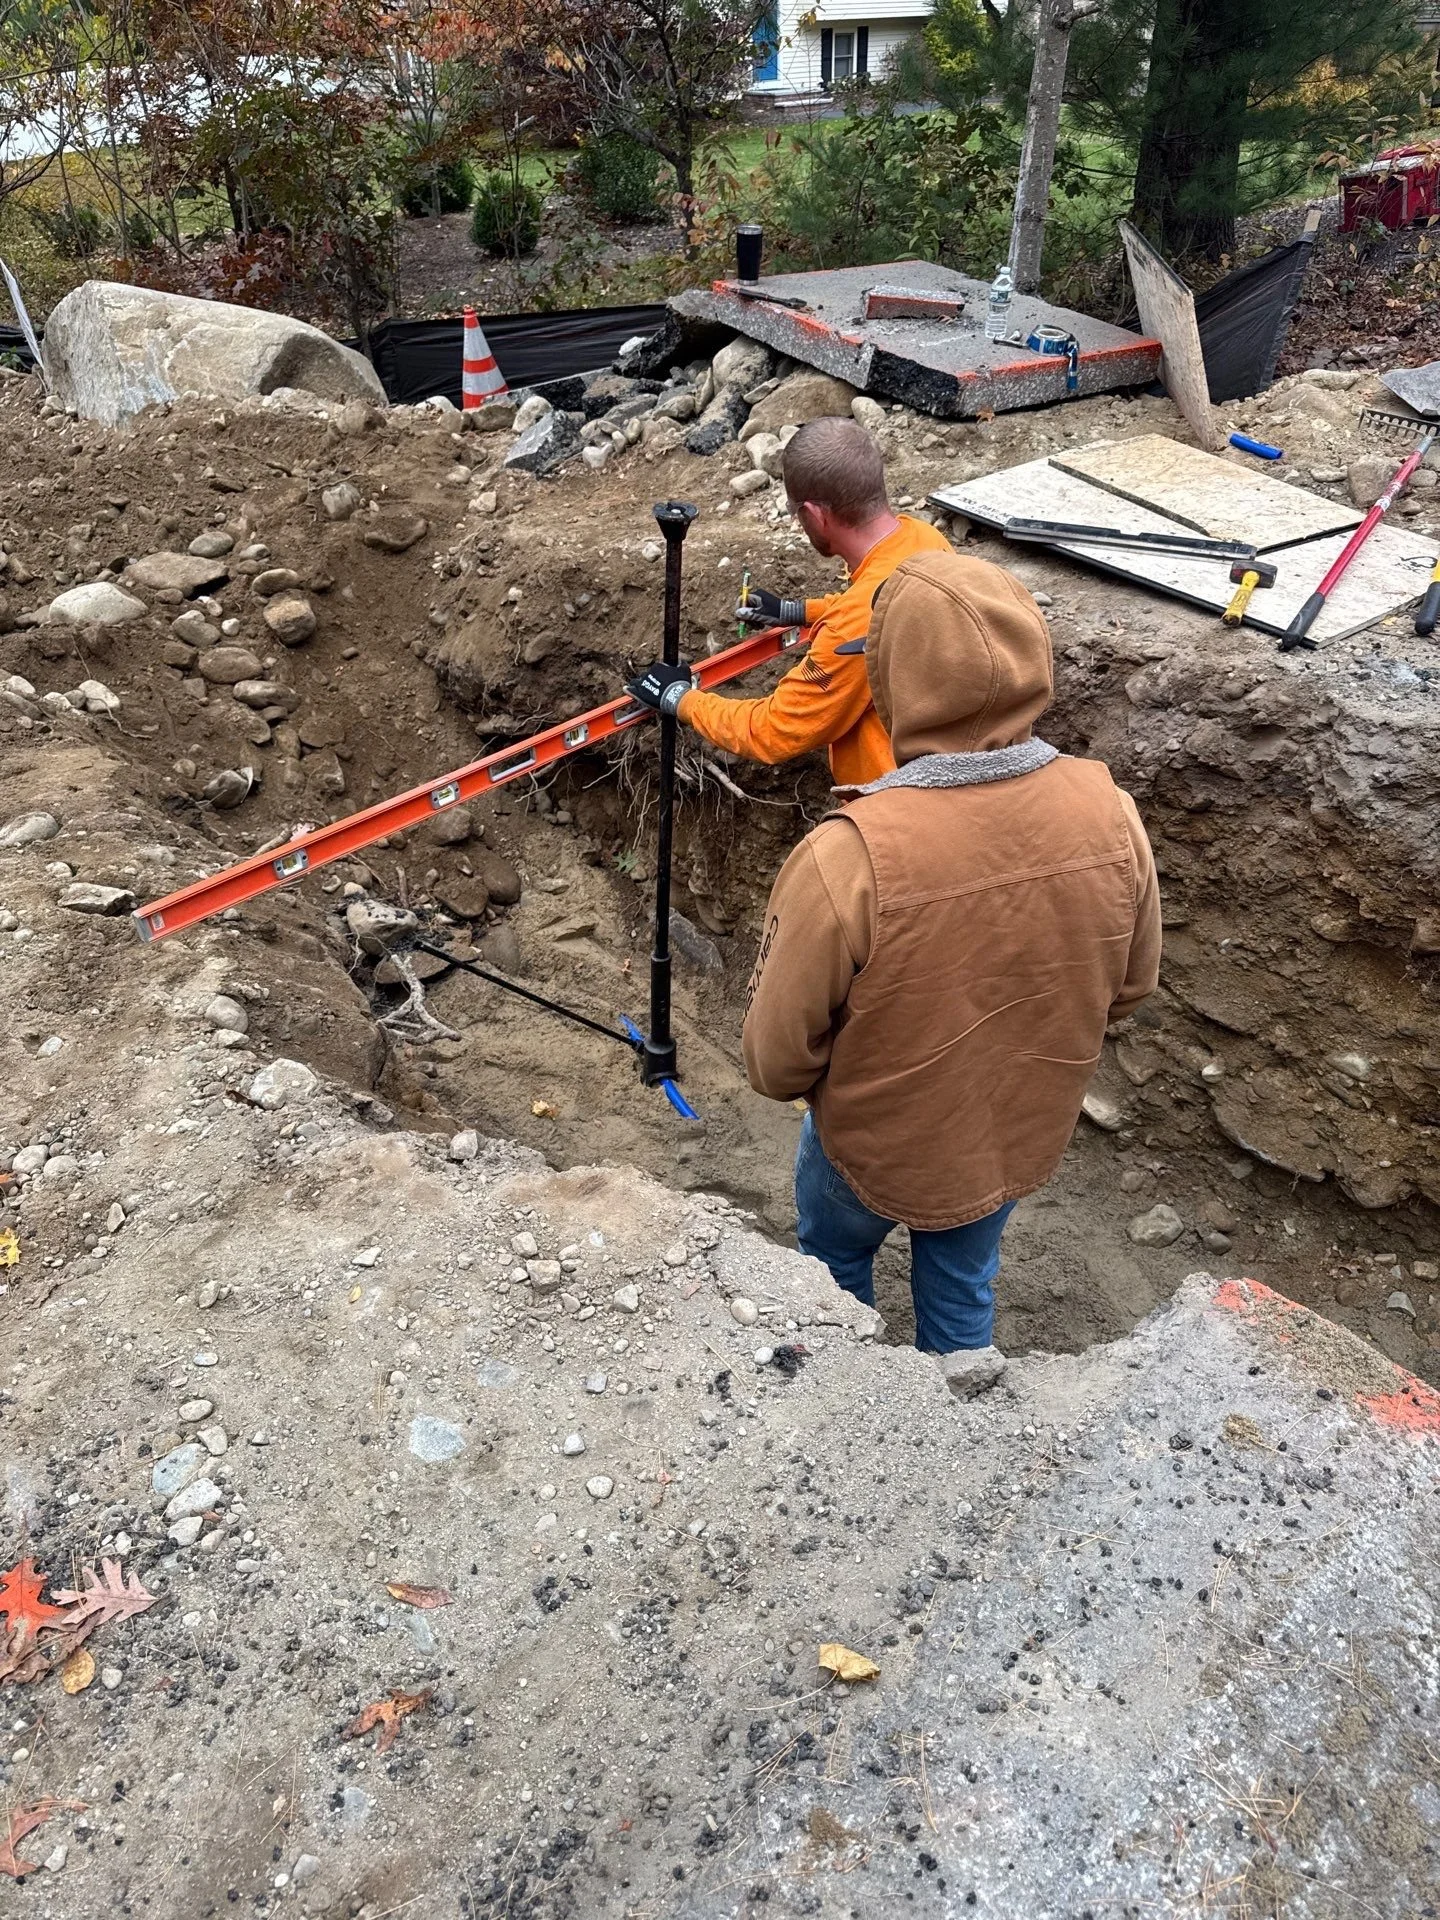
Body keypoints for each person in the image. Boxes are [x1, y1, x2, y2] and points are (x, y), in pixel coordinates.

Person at [740, 549, 1162, 1397]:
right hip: (1009, 1131)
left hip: (870, 1143)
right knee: (965, 1289)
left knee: (829, 1269)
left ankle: (847, 1403)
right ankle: (960, 1416)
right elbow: (1131, 987)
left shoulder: (852, 853)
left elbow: (775, 1062)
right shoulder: (1110, 812)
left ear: (896, 681)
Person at [625, 416, 949, 786]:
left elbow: (774, 731)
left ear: (814, 514)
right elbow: (883, 600)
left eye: (798, 515)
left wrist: (680, 698)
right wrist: (796, 612)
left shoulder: (852, 628)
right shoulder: (923, 538)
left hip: (893, 800)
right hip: (945, 768)